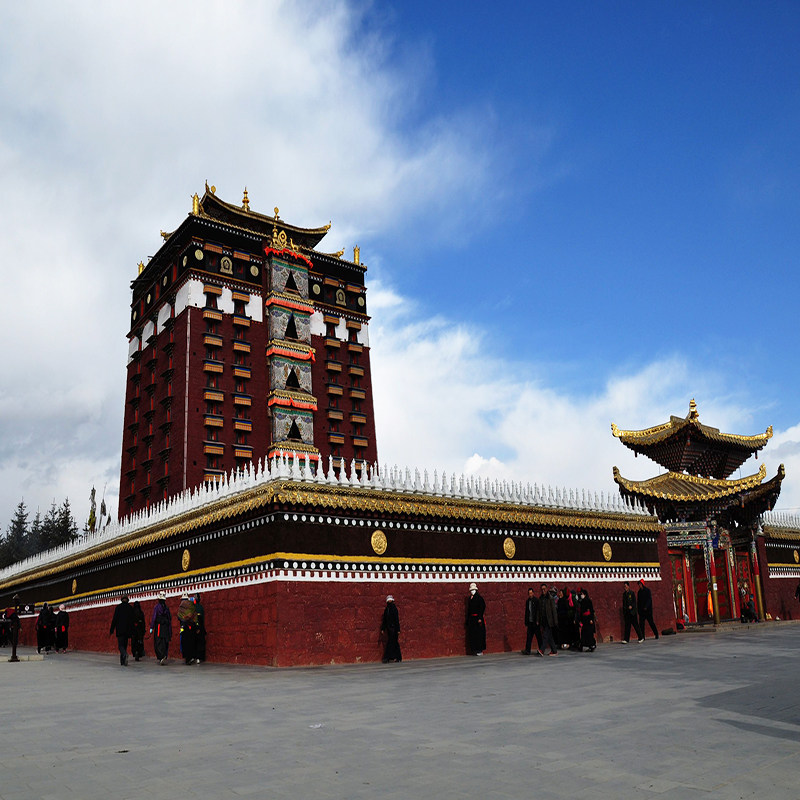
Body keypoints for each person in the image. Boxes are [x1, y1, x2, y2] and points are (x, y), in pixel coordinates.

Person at [109, 595, 135, 666]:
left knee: (120, 646)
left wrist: (112, 629)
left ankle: (124, 654)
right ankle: (123, 661)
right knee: (124, 645)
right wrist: (132, 631)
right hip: (127, 630)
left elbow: (114, 619)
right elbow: (132, 620)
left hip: (120, 630)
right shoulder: (130, 608)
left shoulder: (118, 607)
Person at [536, 583, 558, 656]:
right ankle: (554, 651)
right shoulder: (540, 598)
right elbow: (538, 610)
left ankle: (542, 650)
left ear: (547, 589)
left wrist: (555, 621)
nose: (543, 590)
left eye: (544, 589)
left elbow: (554, 610)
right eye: (542, 589)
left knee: (545, 635)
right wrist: (538, 620)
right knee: (549, 636)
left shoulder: (550, 598)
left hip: (549, 620)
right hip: (543, 620)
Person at [150, 592, 172, 665]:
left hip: (159, 626)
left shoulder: (157, 607)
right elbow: (169, 618)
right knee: (165, 641)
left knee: (158, 642)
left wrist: (152, 627)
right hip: (165, 626)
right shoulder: (166, 608)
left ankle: (161, 656)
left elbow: (154, 617)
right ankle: (164, 654)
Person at [177, 593, 199, 664]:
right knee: (191, 642)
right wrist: (196, 625)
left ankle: (187, 658)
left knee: (185, 642)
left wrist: (183, 620)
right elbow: (195, 616)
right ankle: (191, 656)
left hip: (184, 626)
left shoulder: (181, 606)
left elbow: (179, 616)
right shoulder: (192, 605)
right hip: (192, 626)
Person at [466, 582, 486, 656]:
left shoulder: (479, 598)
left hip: (477, 618)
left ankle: (480, 649)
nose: (472, 591)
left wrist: (480, 617)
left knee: (479, 634)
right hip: (472, 619)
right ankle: (474, 649)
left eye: (473, 590)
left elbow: (482, 607)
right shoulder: (470, 599)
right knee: (473, 634)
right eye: (471, 590)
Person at [381, 595, 402, 663]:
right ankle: (394, 657)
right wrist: (383, 628)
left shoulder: (394, 609)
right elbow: (385, 620)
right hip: (389, 629)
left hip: (394, 628)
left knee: (393, 642)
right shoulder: (386, 610)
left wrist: (398, 629)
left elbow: (396, 620)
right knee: (392, 642)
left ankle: (390, 657)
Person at [578, 588, 596, 652]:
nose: (581, 595)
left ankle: (591, 645)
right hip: (584, 620)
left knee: (589, 633)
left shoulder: (588, 601)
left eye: (582, 594)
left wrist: (591, 619)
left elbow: (591, 610)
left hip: (588, 619)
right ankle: (582, 645)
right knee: (584, 633)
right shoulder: (582, 601)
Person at [522, 587, 539, 655]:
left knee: (538, 636)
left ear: (533, 593)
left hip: (535, 622)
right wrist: (526, 621)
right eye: (529, 593)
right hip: (530, 622)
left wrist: (538, 620)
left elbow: (538, 611)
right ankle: (527, 650)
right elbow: (527, 612)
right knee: (529, 637)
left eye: (531, 593)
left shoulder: (536, 600)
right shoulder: (527, 601)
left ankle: (541, 649)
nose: (530, 594)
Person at [194, 594, 206, 662]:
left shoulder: (194, 607)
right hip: (201, 626)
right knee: (201, 642)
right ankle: (201, 657)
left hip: (195, 626)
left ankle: (197, 656)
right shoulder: (201, 607)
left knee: (196, 642)